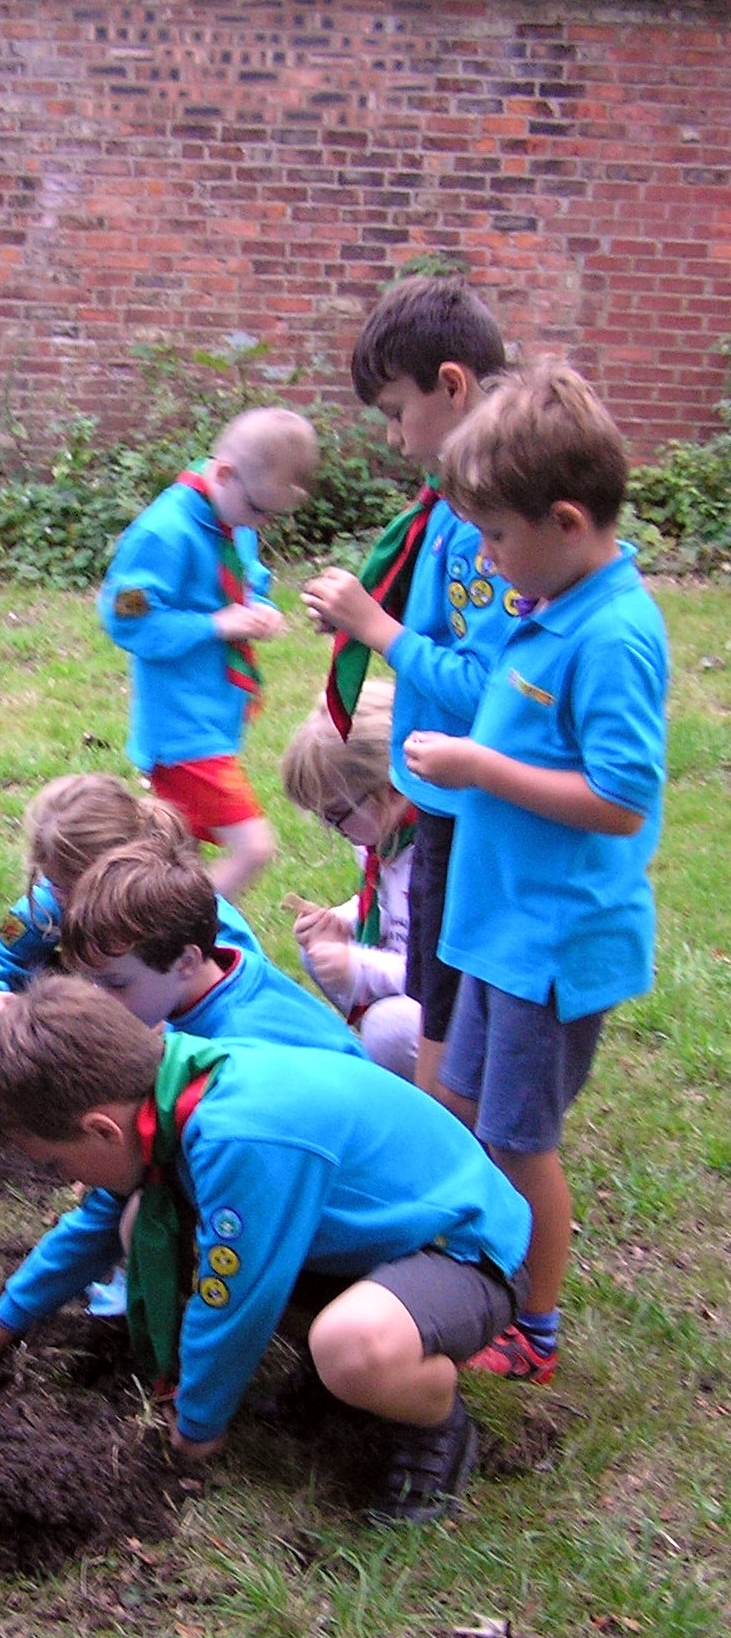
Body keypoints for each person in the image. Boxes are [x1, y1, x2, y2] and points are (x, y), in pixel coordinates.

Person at [0, 976, 531, 1525]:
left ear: (102, 1128)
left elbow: (233, 1299)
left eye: (56, 1162)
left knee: (351, 1349)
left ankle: (436, 1419)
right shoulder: (170, 1087)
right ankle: (338, 1361)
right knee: (139, 1221)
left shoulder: (239, 1137)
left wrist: (197, 1429)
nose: (63, 1178)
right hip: (370, 1244)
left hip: (463, 1250)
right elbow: (83, 1237)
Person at [401, 359, 668, 1384]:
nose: (481, 553)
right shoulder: (544, 596)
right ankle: (474, 1263)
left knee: (521, 1140)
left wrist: (479, 768)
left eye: (495, 534)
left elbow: (620, 799)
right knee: (469, 1107)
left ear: (565, 522)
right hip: (498, 928)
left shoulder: (612, 635)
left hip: (551, 944)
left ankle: (534, 1327)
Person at [301, 276, 514, 1099]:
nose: (392, 438)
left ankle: (447, 1146)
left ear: (451, 385)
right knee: (436, 1007)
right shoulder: (453, 509)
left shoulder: (486, 529)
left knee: (441, 1015)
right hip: (439, 792)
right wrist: (366, 615)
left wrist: (377, 630)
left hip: (461, 803)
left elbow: (487, 686)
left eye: (395, 412)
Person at [98, 406, 319, 901]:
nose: (261, 524)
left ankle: (151, 926)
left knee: (177, 857)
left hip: (213, 718)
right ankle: (183, 926)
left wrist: (259, 608)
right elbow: (125, 617)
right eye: (259, 510)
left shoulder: (232, 517)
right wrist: (216, 624)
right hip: (180, 733)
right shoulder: (163, 533)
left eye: (272, 515)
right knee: (253, 848)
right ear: (224, 474)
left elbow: (250, 578)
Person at [0, 771, 263, 1018]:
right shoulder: (49, 905)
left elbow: (243, 992)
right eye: (50, 882)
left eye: (68, 889)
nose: (57, 896)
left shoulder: (196, 916)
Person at [62, 832, 365, 1057]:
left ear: (186, 962)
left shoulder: (234, 1053)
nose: (98, 999)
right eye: (91, 982)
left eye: (116, 984)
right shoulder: (219, 963)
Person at [279, 680, 421, 1079]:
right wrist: (342, 920)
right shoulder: (384, 836)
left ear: (391, 791)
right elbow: (389, 905)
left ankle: (435, 1100)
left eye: (336, 815)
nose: (331, 828)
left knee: (390, 1028)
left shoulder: (436, 859)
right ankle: (386, 1064)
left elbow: (443, 979)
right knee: (318, 948)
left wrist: (357, 966)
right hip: (407, 972)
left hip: (457, 1014)